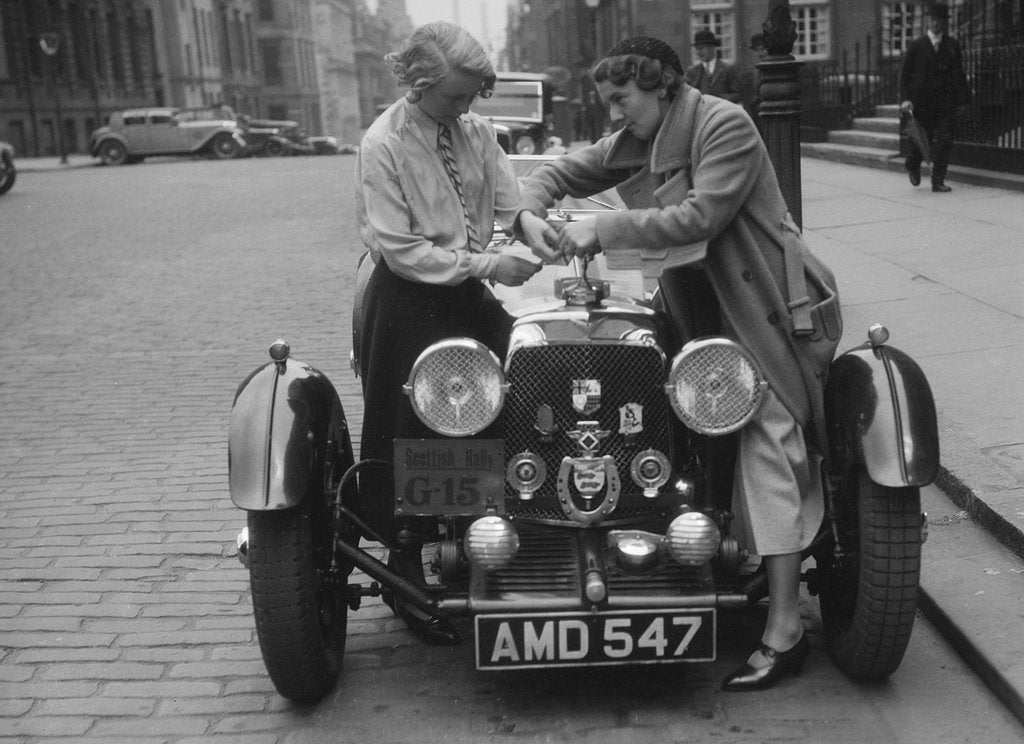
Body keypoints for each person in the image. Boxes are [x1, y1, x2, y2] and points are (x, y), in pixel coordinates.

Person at [515, 36, 842, 692]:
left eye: (621, 99)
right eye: (607, 101)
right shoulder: (651, 132)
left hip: (763, 309)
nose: (613, 114)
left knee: (766, 444)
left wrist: (600, 231)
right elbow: (564, 171)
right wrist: (531, 208)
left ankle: (785, 629)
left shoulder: (725, 125)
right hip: (703, 310)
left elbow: (700, 217)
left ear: (660, 85)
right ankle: (726, 557)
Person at [355, 22, 543, 645]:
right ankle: (404, 559)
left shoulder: (478, 132)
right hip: (408, 300)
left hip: (464, 293)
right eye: (455, 98)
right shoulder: (381, 142)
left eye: (472, 97)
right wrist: (491, 264)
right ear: (418, 83)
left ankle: (492, 532)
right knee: (410, 425)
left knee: (519, 383)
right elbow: (402, 248)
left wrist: (536, 231)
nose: (465, 109)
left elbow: (513, 206)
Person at [899, 2, 971, 192]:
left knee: (946, 138)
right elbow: (904, 75)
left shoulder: (952, 44)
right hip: (921, 102)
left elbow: (959, 73)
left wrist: (965, 99)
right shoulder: (917, 45)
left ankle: (937, 181)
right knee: (924, 140)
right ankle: (913, 164)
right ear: (927, 21)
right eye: (932, 19)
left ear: (944, 22)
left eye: (939, 20)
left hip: (945, 102)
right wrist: (905, 99)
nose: (935, 23)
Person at [684, 29, 742, 103]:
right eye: (697, 49)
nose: (699, 52)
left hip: (722, 111)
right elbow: (686, 95)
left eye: (702, 48)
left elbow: (738, 94)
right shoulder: (692, 71)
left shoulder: (727, 69)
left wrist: (721, 99)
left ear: (712, 47)